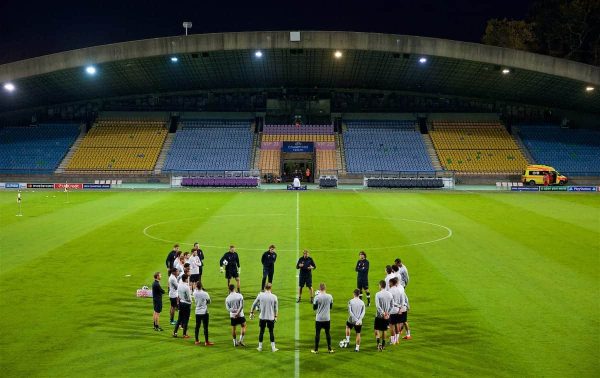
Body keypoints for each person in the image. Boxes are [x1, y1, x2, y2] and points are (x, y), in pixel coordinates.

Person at [250, 282, 279, 352]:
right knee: (271, 332)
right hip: (271, 317)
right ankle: (273, 348)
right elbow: (276, 308)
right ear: (271, 288)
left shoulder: (260, 295)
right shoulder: (274, 297)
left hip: (262, 317)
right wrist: (276, 316)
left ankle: (260, 347)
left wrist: (251, 312)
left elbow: (254, 304)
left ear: (264, 288)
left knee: (261, 332)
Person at [311, 283, 334, 354]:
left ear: (319, 289)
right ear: (325, 288)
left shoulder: (317, 297)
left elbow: (314, 308)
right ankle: (330, 349)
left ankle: (316, 350)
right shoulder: (330, 296)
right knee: (328, 333)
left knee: (317, 334)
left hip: (319, 319)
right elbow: (331, 307)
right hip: (327, 318)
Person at [375, 280, 393, 351]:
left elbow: (377, 306)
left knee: (376, 329)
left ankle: (378, 344)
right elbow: (392, 305)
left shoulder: (378, 294)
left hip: (379, 315)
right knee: (384, 330)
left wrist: (383, 313)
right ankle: (383, 345)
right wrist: (388, 313)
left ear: (380, 285)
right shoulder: (390, 294)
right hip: (387, 317)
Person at [387, 277, 407, 345]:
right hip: (398, 310)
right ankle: (397, 340)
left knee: (391, 326)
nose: (388, 284)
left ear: (391, 283)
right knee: (397, 325)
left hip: (392, 310)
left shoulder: (389, 291)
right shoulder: (400, 290)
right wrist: (400, 309)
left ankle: (392, 341)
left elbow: (390, 302)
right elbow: (403, 301)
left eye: (389, 282)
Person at [173, 274, 192, 339]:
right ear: (186, 279)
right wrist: (191, 301)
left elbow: (178, 294)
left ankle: (175, 332)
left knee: (179, 318)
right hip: (186, 304)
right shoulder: (187, 287)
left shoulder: (179, 285)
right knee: (186, 319)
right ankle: (184, 334)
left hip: (181, 303)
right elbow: (189, 297)